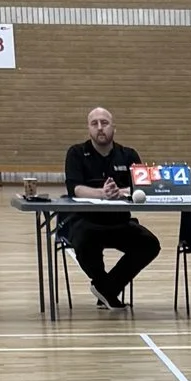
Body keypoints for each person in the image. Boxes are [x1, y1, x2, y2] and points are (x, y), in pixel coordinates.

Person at [59, 105, 161, 308]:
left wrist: (120, 193)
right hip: (86, 221)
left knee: (149, 244)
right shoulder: (76, 153)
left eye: (104, 123)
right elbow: (75, 188)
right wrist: (102, 194)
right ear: (88, 129)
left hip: (119, 222)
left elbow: (142, 188)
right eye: (94, 123)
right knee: (85, 242)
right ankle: (107, 289)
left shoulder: (129, 155)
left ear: (114, 127)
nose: (100, 128)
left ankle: (106, 288)